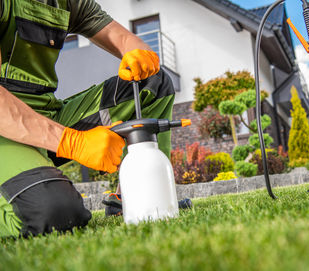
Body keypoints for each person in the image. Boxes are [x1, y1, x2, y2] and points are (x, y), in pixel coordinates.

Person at [0, 0, 178, 238]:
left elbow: (122, 37)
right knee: (54, 212)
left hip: (47, 115)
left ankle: (137, 196)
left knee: (153, 83)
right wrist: (72, 142)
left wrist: (138, 52)